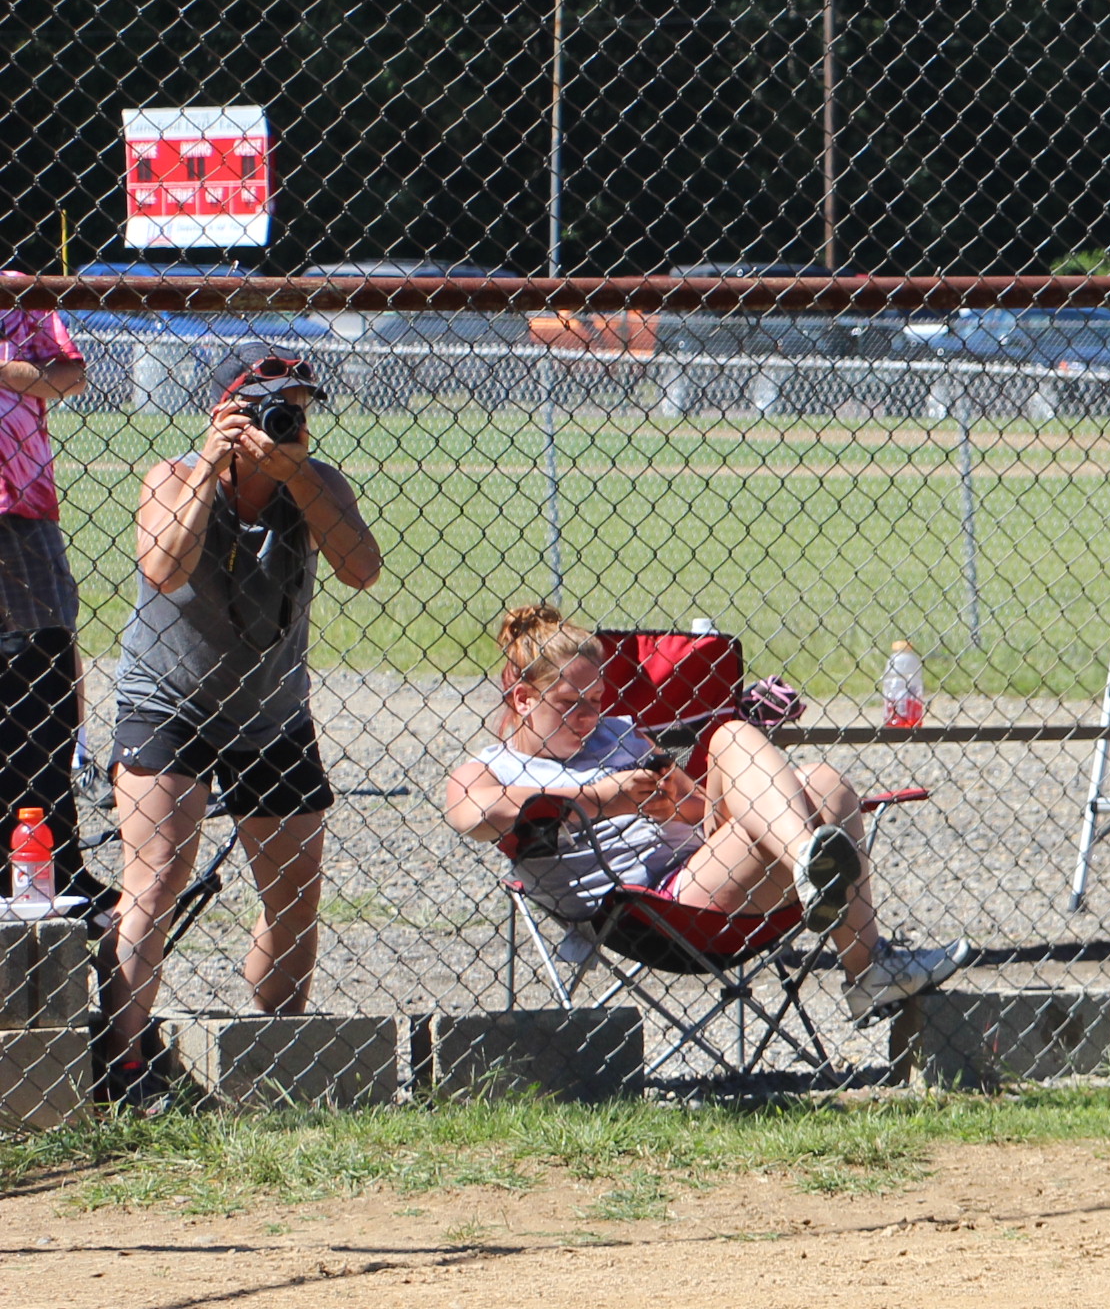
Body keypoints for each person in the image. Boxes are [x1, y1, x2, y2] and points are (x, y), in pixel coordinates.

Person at [97, 346, 386, 1106]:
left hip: (271, 709)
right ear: (226, 412)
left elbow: (362, 570)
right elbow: (162, 567)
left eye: (296, 411)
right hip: (170, 700)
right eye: (267, 408)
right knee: (155, 877)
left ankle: (277, 1053)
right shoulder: (171, 476)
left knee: (293, 897)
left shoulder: (318, 483)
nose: (283, 423)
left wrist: (297, 474)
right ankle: (124, 1067)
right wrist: (209, 465)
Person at [442, 605, 967, 1017]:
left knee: (775, 756)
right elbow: (471, 815)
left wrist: (675, 802)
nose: (588, 716)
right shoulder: (491, 769)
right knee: (816, 788)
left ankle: (830, 903)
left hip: (709, 864)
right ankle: (827, 893)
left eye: (596, 699)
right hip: (652, 909)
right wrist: (605, 799)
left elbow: (699, 810)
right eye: (569, 703)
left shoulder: (619, 734)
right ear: (523, 699)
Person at [0, 279, 91, 903]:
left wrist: (5, 368)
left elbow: (69, 377)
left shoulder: (20, 296)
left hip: (21, 504)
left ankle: (50, 852)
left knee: (44, 658)